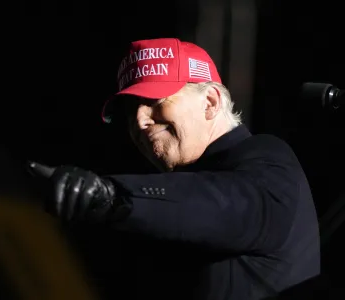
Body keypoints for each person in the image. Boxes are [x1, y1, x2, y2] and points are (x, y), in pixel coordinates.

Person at [28, 38, 320, 300]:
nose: (140, 120)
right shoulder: (169, 203)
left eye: (154, 100)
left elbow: (220, 205)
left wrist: (112, 195)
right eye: (131, 111)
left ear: (210, 102)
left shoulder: (267, 159)